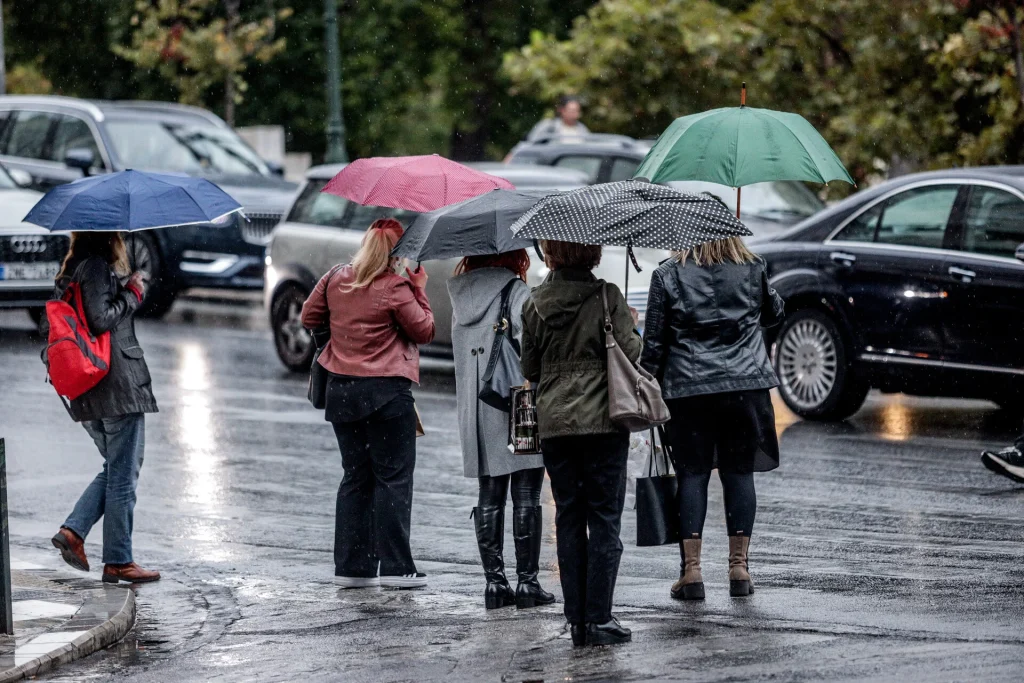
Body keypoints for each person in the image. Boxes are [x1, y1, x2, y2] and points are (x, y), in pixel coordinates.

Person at [640, 236, 784, 601]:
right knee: (739, 472)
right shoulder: (753, 267)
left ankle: (692, 574)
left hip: (689, 391)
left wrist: (643, 386)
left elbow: (654, 342)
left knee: (693, 474)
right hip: (745, 388)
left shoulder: (668, 275)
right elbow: (774, 315)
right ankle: (739, 569)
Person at [301, 218, 435, 589]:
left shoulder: (335, 276)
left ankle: (352, 566)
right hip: (387, 394)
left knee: (355, 477)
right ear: (397, 254)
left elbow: (308, 316)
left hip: (341, 391)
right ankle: (396, 568)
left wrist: (343, 333)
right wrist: (419, 288)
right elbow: (423, 330)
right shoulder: (395, 287)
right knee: (392, 478)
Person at [520, 240, 641, 647]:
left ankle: (576, 620)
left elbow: (530, 367)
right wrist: (630, 323)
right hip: (605, 421)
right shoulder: (608, 295)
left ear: (551, 254)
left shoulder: (534, 303)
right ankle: (599, 618)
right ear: (592, 252)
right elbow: (632, 353)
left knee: (568, 516)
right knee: (605, 518)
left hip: (555, 423)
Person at [49, 232, 161, 584]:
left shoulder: (72, 272)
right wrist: (133, 293)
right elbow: (100, 319)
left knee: (116, 469)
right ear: (108, 238)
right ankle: (117, 559)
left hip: (91, 389)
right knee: (123, 474)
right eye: (119, 235)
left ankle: (75, 532)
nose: (123, 241)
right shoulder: (96, 268)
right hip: (114, 385)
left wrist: (123, 287)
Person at [448, 250, 555, 610]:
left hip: (477, 407)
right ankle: (527, 582)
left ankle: (495, 584)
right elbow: (532, 351)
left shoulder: (460, 296)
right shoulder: (516, 292)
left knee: (489, 494)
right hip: (517, 403)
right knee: (526, 493)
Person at [526, 95, 590, 143]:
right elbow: (531, 143)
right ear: (562, 110)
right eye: (572, 111)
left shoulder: (582, 129)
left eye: (577, 111)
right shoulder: (548, 126)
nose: (575, 114)